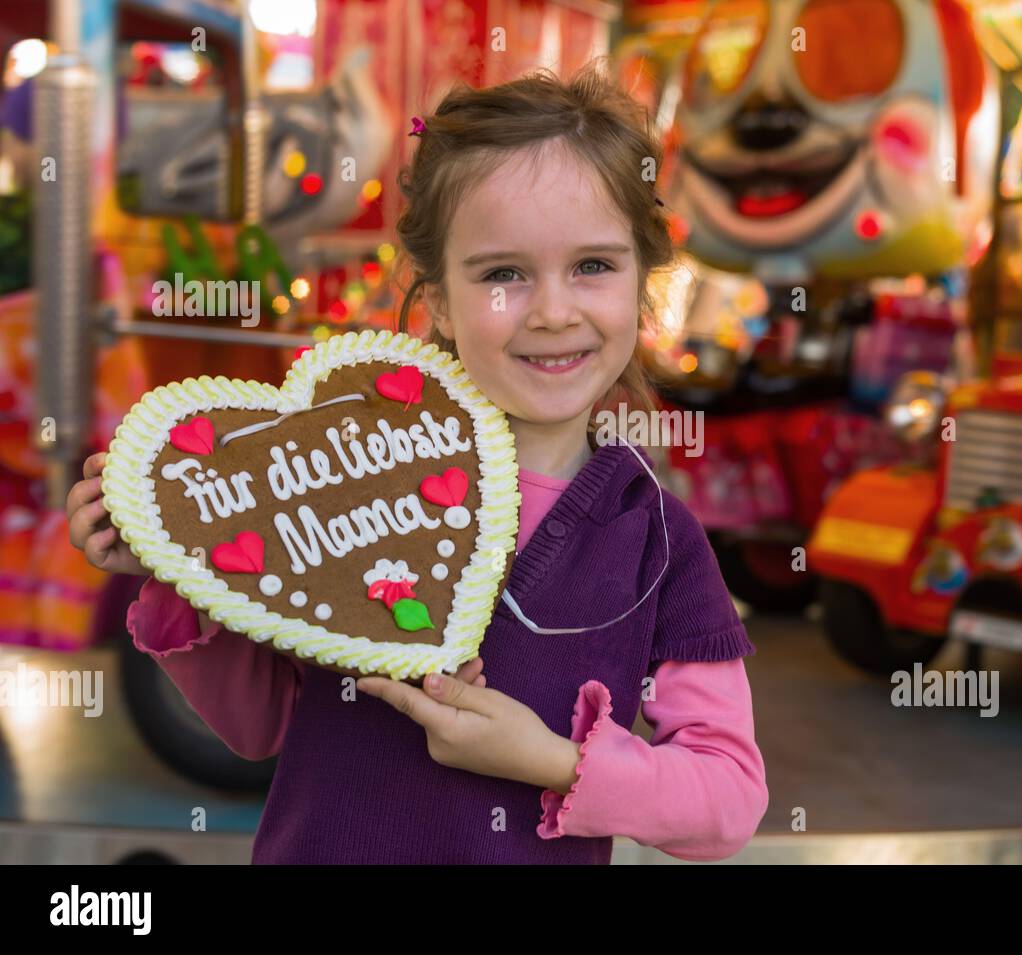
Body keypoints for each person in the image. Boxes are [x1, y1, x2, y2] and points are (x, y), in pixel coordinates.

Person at [65, 60, 768, 864]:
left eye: (594, 266)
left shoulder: (657, 541)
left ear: (643, 282)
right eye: (502, 273)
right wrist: (172, 566)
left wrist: (550, 760)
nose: (552, 310)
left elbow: (727, 798)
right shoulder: (348, 471)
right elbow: (258, 727)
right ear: (436, 297)